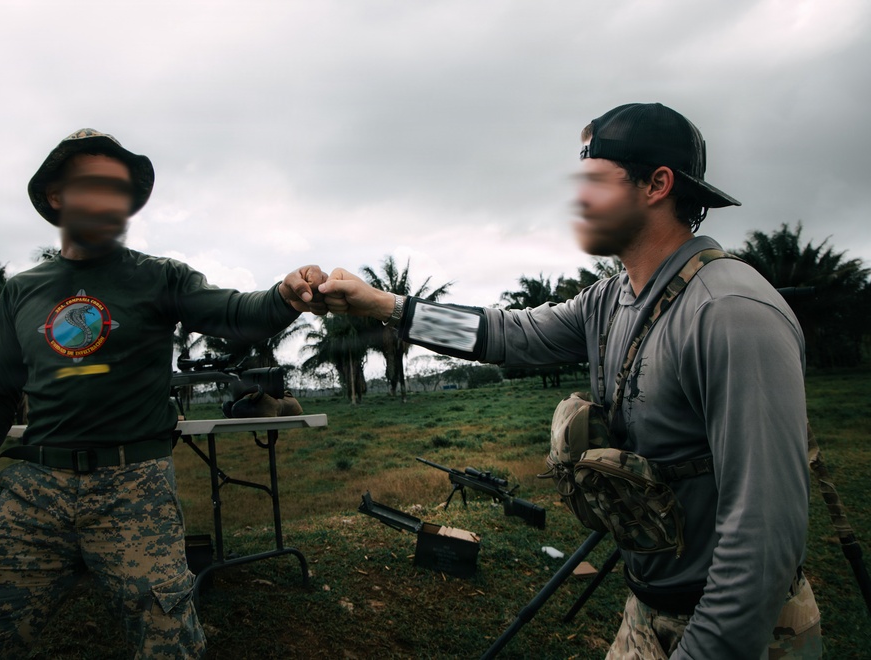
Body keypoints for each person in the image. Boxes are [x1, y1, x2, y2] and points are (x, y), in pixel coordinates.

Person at [320, 103, 821, 658]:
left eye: (596, 182)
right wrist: (384, 305)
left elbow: (764, 536)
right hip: (647, 609)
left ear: (657, 185)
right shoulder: (609, 299)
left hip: (738, 628)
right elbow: (506, 334)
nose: (578, 200)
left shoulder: (730, 312)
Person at [0, 128, 328, 658]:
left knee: (168, 645)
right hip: (37, 489)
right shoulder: (22, 291)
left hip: (134, 489)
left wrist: (284, 295)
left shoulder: (159, 277)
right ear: (57, 196)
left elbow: (236, 313)